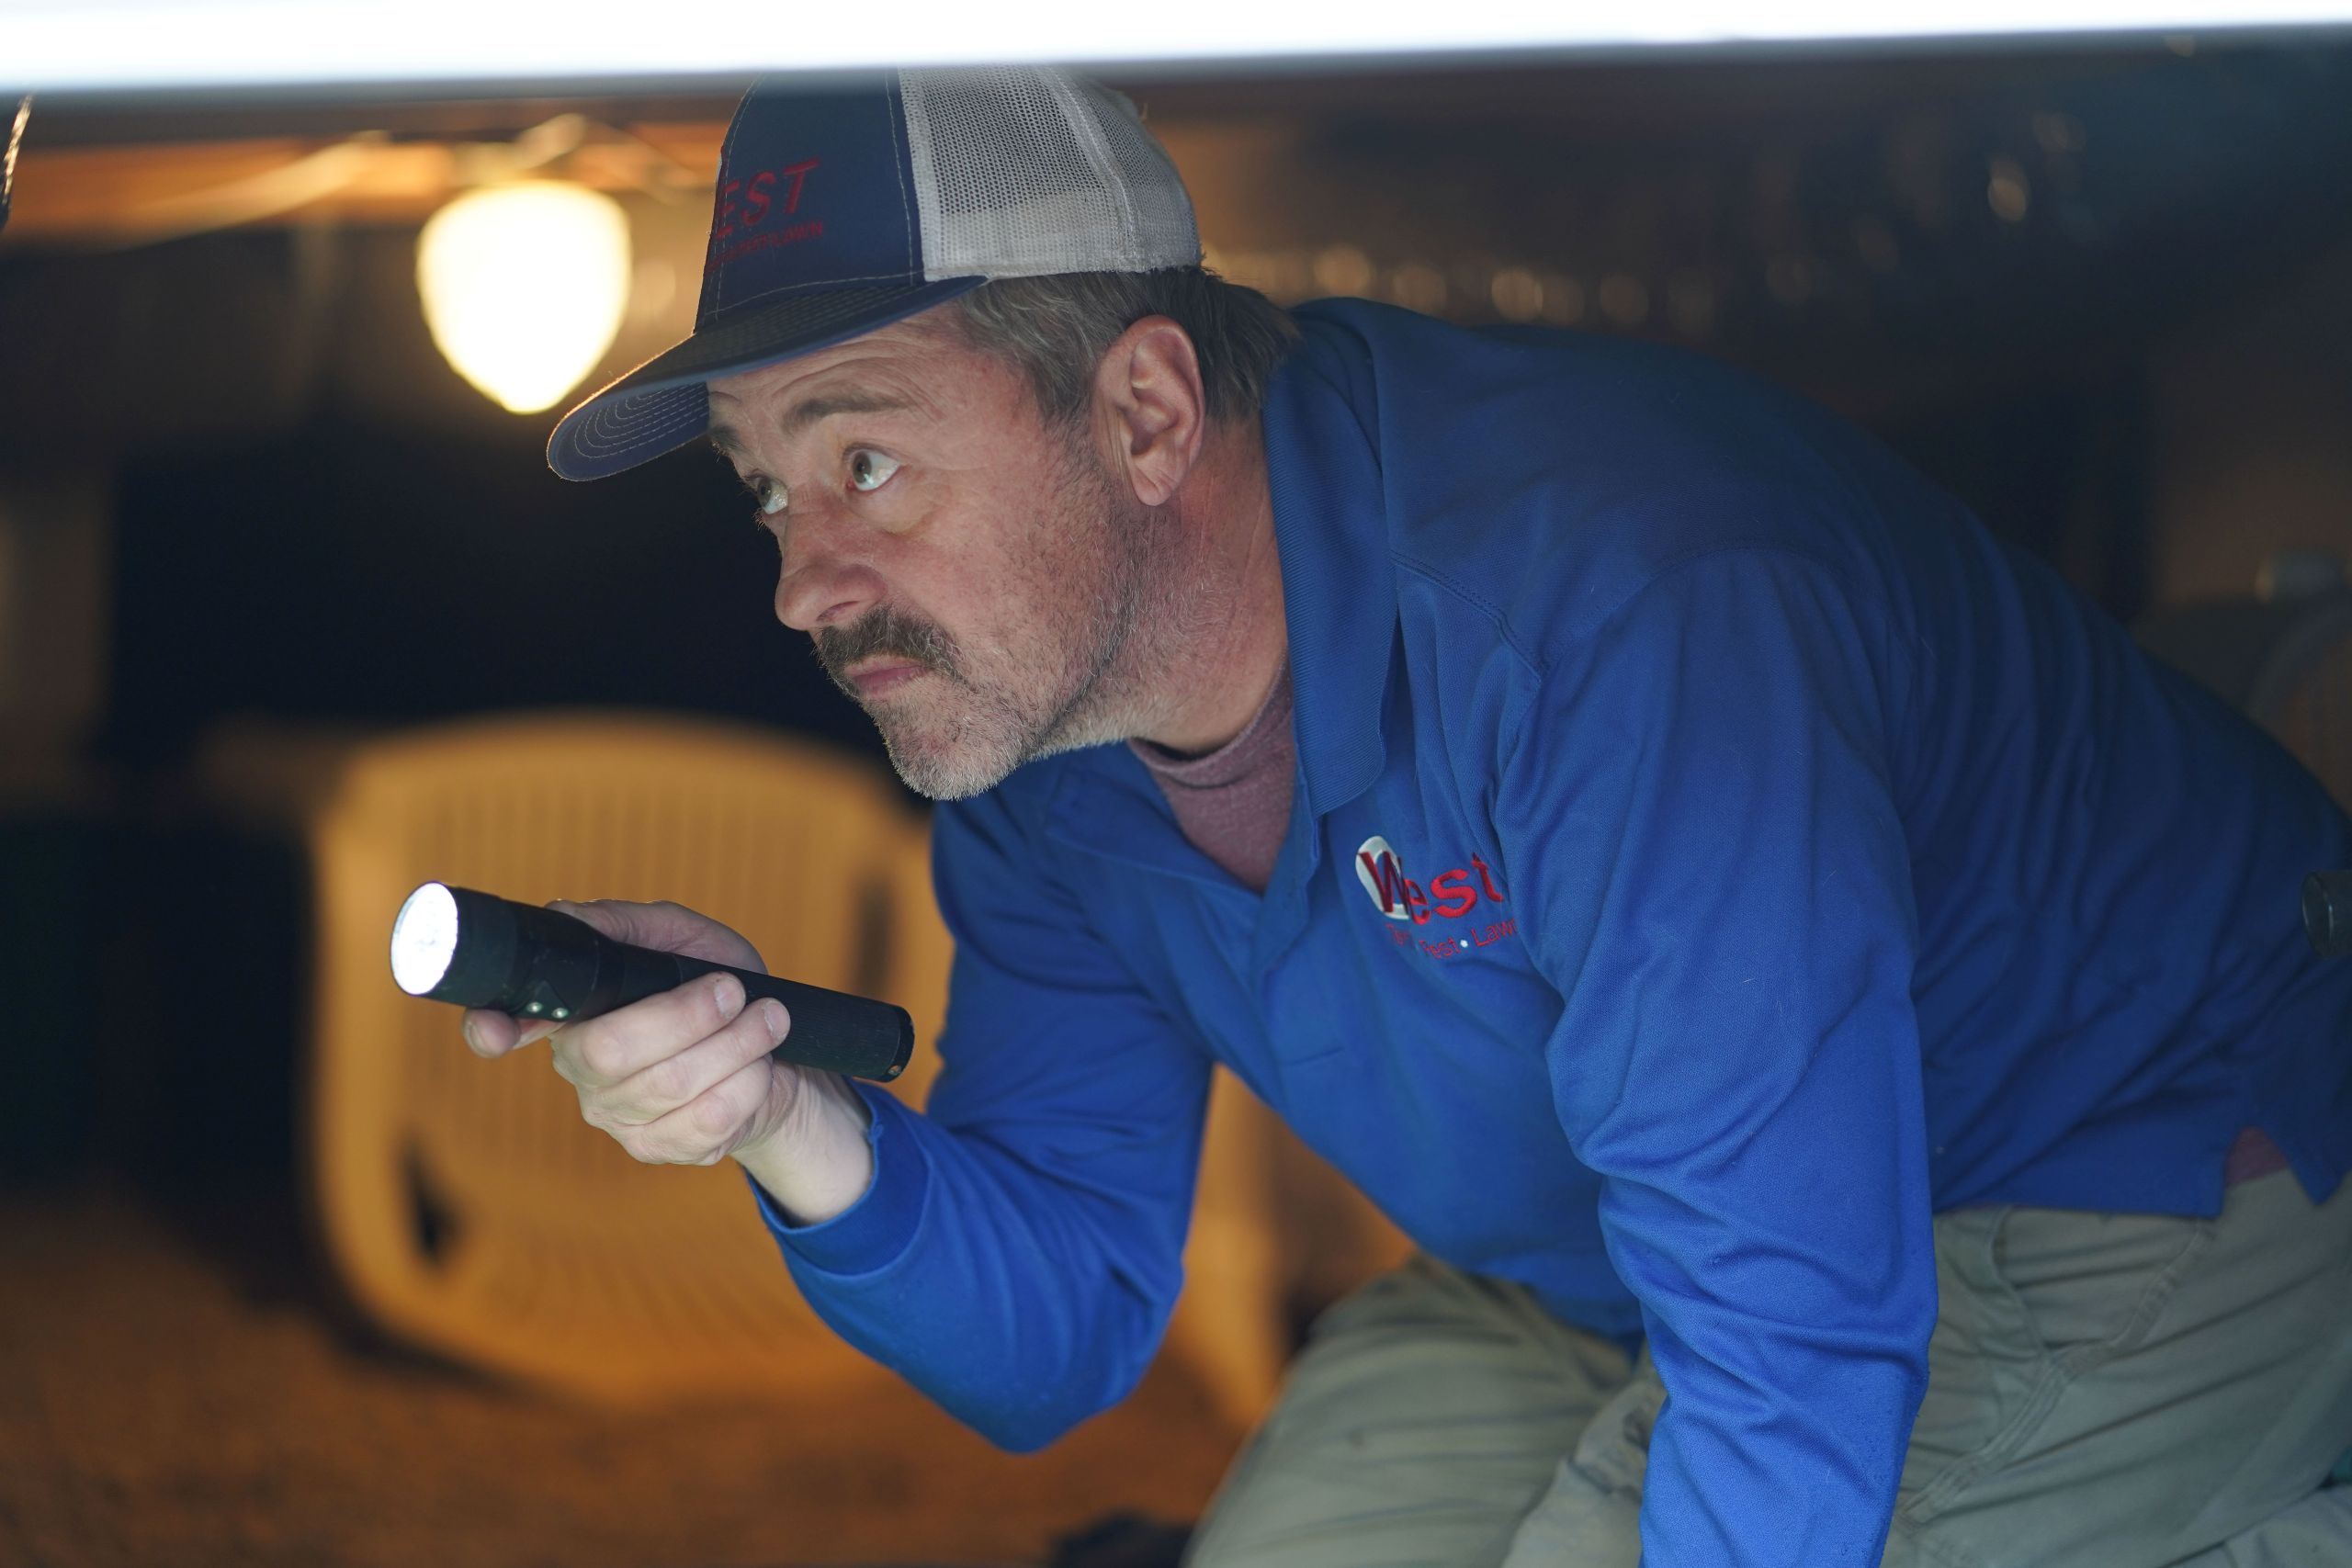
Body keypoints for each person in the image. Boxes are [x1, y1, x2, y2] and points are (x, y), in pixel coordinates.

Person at [458, 66, 2352, 1566]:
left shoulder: (1609, 591)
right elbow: (1061, 1334)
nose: (804, 579)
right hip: (1620, 1244)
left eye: (862, 456)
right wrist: (779, 1112)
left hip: (2132, 1159)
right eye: (767, 491)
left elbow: (1790, 1319)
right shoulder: (1041, 761)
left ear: (1141, 413)